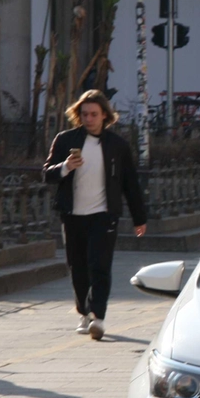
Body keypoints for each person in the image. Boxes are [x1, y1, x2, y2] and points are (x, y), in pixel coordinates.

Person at [42, 90, 147, 341]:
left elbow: (129, 183)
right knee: (77, 267)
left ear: (104, 116)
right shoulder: (66, 140)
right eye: (85, 114)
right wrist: (66, 167)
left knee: (100, 265)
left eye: (94, 114)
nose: (89, 119)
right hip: (73, 214)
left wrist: (139, 217)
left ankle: (98, 317)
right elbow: (47, 173)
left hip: (104, 214)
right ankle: (84, 312)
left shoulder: (117, 145)